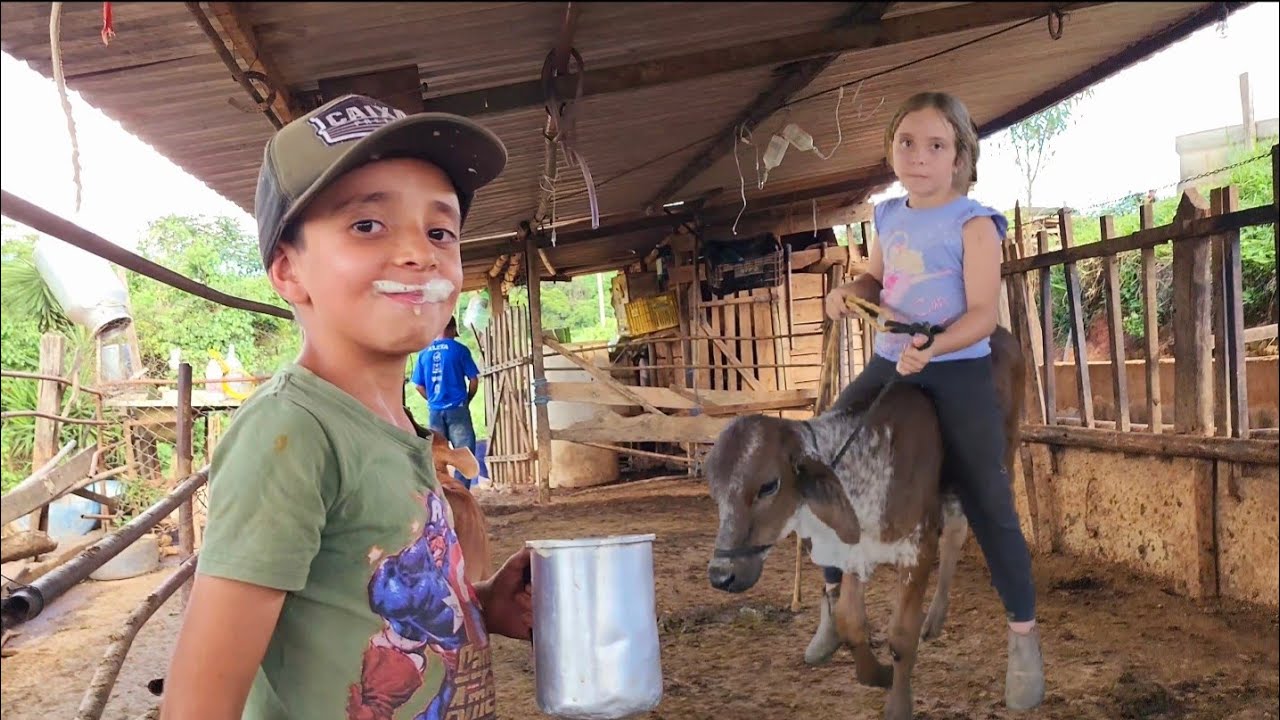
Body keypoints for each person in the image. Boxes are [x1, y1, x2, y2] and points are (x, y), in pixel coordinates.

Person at [159, 93, 531, 720]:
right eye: (367, 225)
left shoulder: (397, 428)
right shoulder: (292, 433)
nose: (420, 252)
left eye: (441, 231)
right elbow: (198, 706)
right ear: (288, 271)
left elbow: (366, 605)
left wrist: (486, 602)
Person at [807, 91, 1045, 711]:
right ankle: (833, 597)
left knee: (990, 496)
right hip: (890, 361)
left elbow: (983, 316)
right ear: (891, 150)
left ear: (961, 156)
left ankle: (1022, 635)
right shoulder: (888, 216)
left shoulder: (975, 224)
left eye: (936, 146)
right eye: (906, 143)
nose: (919, 157)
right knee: (821, 450)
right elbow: (874, 279)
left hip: (956, 369)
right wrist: (847, 290)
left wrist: (932, 349)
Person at [412, 316, 480, 488]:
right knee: (464, 453)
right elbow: (473, 380)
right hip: (457, 410)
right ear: (452, 329)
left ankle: (442, 492)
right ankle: (461, 491)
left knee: (437, 456)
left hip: (435, 412)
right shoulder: (460, 350)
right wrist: (467, 400)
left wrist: (433, 400)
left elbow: (418, 386)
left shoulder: (423, 354)